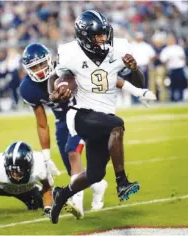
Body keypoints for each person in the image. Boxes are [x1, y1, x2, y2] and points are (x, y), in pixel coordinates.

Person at [49, 10, 156, 224]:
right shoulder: (70, 52)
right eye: (97, 36)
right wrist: (54, 93)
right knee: (118, 125)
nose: (103, 39)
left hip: (103, 118)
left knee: (96, 174)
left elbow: (138, 83)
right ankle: (122, 182)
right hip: (82, 115)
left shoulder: (119, 49)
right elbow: (54, 76)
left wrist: (135, 69)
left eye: (104, 34)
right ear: (85, 37)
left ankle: (62, 194)